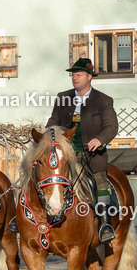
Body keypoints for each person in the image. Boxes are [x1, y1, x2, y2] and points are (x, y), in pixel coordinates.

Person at [45, 57, 118, 244]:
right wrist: (48, 136)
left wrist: (99, 139)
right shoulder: (63, 97)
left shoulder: (103, 100)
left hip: (93, 156)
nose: (74, 78)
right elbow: (53, 123)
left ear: (89, 76)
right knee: (47, 179)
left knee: (100, 182)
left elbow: (111, 127)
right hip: (66, 156)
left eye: (78, 75)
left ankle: (105, 224)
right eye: (73, 75)